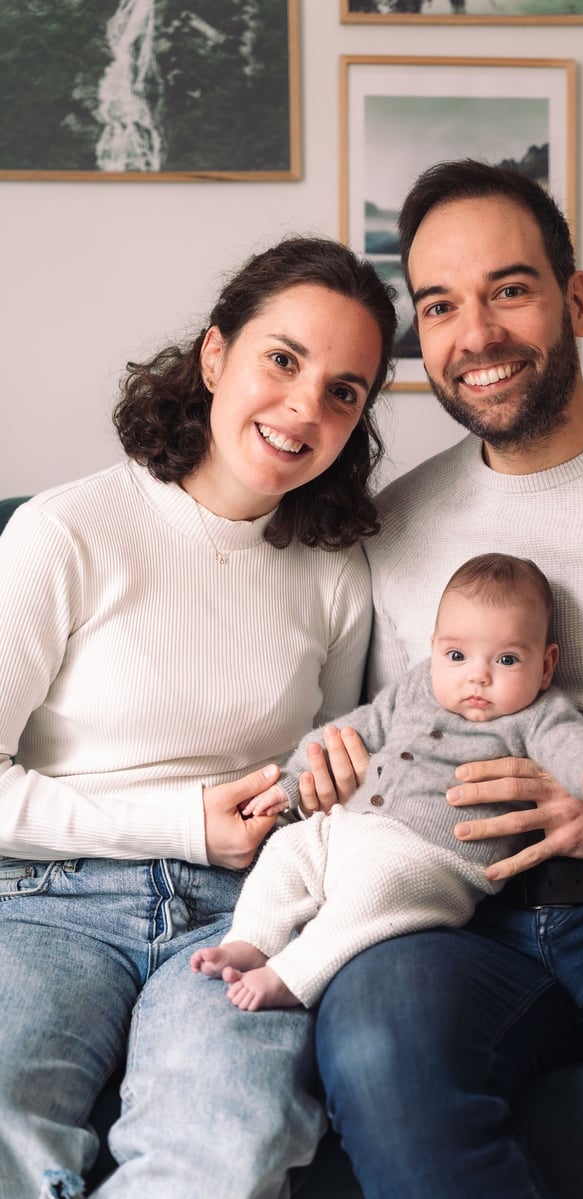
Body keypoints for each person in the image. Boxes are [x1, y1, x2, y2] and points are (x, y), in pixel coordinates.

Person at [303, 160, 583, 1199]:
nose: (475, 334)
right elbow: (367, 735)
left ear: (578, 301)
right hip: (449, 916)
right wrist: (332, 765)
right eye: (439, 305)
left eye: (509, 289)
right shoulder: (394, 523)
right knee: (376, 1050)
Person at [0, 236, 396, 1199]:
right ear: (215, 355)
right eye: (282, 359)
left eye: (343, 391)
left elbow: (328, 788)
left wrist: (326, 792)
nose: (305, 407)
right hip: (49, 899)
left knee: (228, 1149)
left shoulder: (336, 571)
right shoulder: (66, 531)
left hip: (242, 916)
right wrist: (182, 822)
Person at [190, 552, 583, 1012]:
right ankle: (252, 940)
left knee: (369, 899)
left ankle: (293, 975)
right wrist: (289, 785)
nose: (477, 676)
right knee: (288, 848)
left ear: (545, 666)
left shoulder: (536, 714)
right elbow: (353, 729)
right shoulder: (416, 687)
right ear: (434, 648)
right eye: (456, 656)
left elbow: (569, 743)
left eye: (506, 659)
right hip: (351, 828)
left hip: (434, 860)